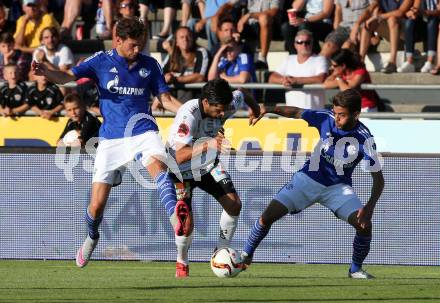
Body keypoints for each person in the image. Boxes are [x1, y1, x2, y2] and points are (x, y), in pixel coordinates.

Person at [32, 18, 183, 268]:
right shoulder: (101, 60)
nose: (138, 50)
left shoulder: (150, 65)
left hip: (143, 131)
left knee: (158, 167)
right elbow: (68, 77)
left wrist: (189, 111)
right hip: (111, 139)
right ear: (118, 41)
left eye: (141, 45)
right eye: (133, 45)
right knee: (96, 205)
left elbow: (165, 99)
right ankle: (92, 237)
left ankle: (177, 221)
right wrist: (47, 72)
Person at [240, 89, 385, 279]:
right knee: (266, 218)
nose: (336, 118)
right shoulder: (325, 118)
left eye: (342, 115)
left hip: (338, 189)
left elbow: (379, 180)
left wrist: (370, 207)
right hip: (307, 180)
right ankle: (245, 255)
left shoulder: (365, 138)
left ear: (356, 114)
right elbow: (296, 112)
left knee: (365, 226)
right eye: (335, 112)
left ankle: (355, 270)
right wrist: (266, 109)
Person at [166, 78, 261, 277]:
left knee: (234, 204)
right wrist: (209, 143)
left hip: (208, 165)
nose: (222, 114)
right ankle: (182, 260)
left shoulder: (227, 103)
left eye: (224, 109)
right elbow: (179, 156)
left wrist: (254, 109)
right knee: (187, 224)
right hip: (181, 170)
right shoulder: (188, 115)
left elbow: (242, 92)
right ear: (206, 103)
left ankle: (220, 253)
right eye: (218, 109)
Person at [268, 29, 328, 109]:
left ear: (312, 44)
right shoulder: (289, 59)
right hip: (292, 116)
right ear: (295, 45)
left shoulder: (320, 59)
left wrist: (295, 81)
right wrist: (284, 80)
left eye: (307, 42)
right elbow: (272, 78)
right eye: (300, 42)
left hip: (314, 114)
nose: (304, 45)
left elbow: (320, 79)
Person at [357, 0, 413, 73]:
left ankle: (392, 62)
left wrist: (379, 16)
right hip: (389, 29)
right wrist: (357, 24)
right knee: (369, 23)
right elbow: (371, 9)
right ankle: (361, 62)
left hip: (405, 31)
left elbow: (400, 12)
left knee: (392, 19)